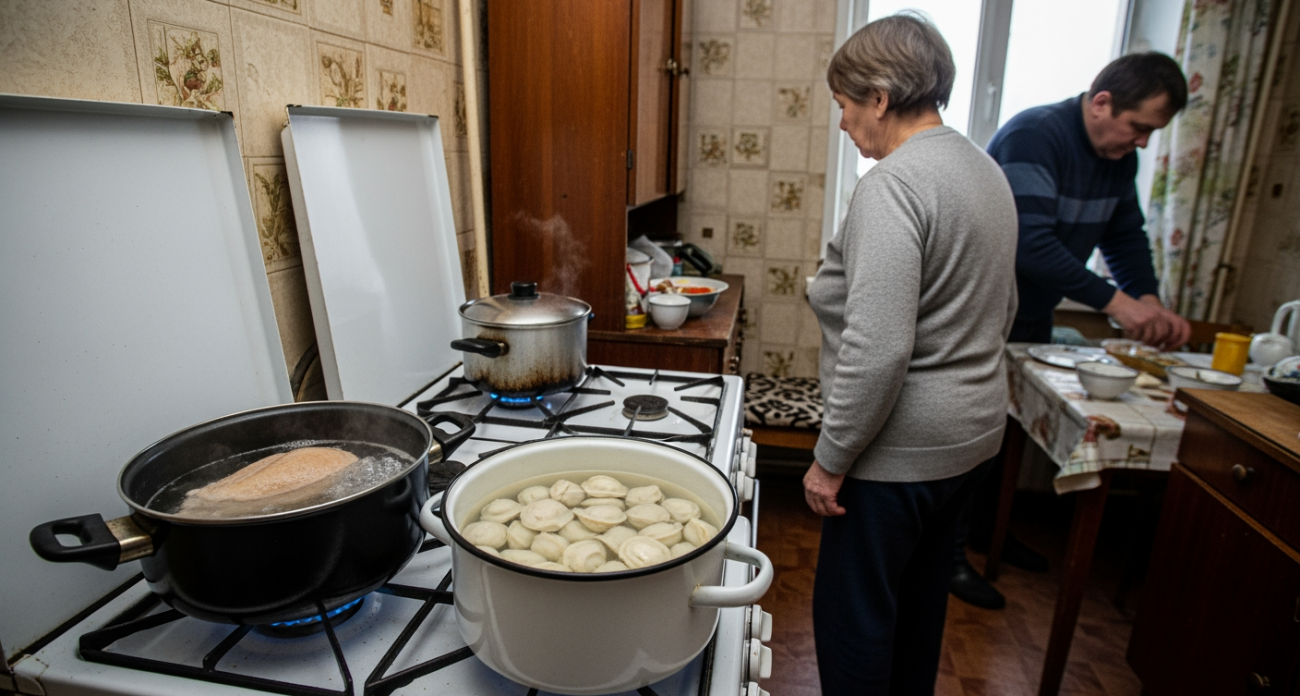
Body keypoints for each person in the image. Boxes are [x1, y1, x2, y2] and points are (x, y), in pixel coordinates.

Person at [804, 14, 1018, 695]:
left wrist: (830, 460)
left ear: (879, 98)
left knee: (854, 621)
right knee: (920, 610)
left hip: (898, 454)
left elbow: (880, 349)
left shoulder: (893, 185)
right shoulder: (985, 171)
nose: (842, 124)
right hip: (975, 438)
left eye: (843, 106)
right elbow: (1003, 308)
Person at [948, 52, 1192, 610]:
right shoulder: (1036, 135)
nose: (1144, 144)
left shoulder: (1117, 158)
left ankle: (989, 531)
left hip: (1032, 312)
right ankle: (949, 555)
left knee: (1006, 435)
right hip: (985, 309)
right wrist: (1119, 305)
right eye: (1140, 128)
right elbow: (1030, 245)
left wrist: (1148, 302)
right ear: (1102, 102)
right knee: (973, 434)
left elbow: (1126, 238)